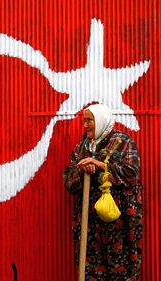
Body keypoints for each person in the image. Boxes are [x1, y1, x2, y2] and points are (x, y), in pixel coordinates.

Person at [63, 104, 143, 280]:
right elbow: (69, 180)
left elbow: (131, 175)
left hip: (119, 217)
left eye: (90, 120)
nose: (86, 125)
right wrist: (83, 169)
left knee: (120, 264)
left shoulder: (123, 143)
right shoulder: (82, 148)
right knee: (92, 263)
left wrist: (100, 165)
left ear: (101, 120)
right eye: (84, 120)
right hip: (90, 218)